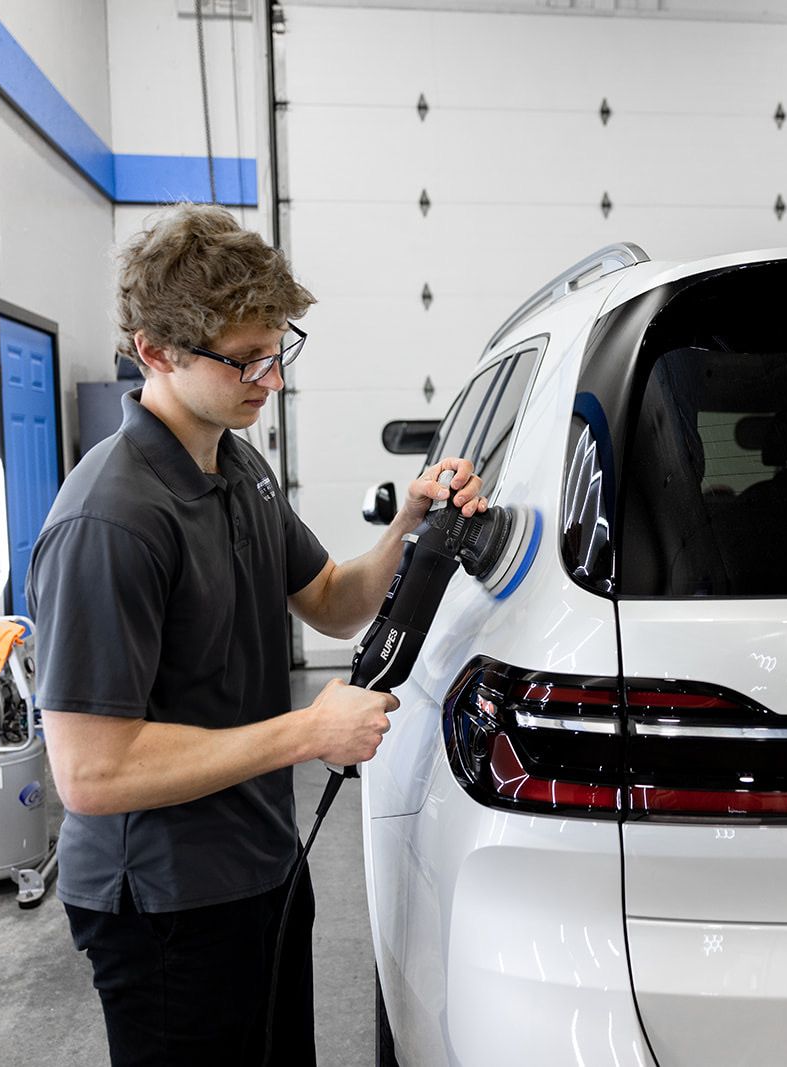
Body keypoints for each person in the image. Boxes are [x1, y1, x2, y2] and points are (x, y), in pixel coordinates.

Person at [25, 203, 486, 1065]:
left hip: (262, 870)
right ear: (153, 349)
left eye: (277, 351)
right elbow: (91, 772)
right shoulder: (111, 520)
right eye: (243, 360)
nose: (269, 379)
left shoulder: (239, 465)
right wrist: (309, 731)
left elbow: (333, 600)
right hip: (167, 908)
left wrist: (408, 529)